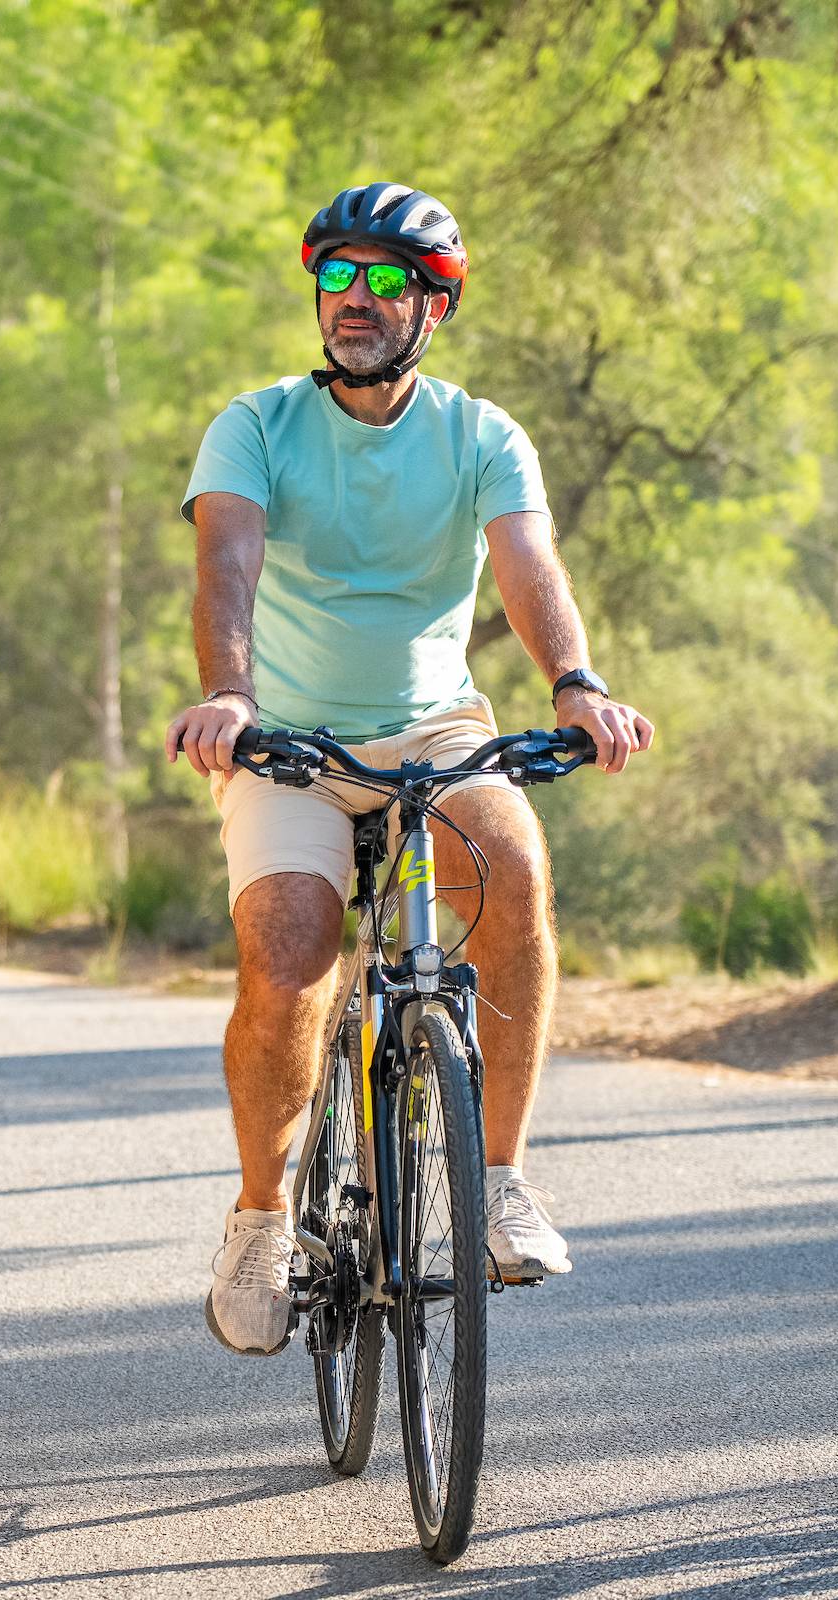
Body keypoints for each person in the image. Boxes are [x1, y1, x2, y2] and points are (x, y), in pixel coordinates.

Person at [165, 184, 655, 1356]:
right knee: (289, 956)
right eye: (338, 278)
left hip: (436, 725)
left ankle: (498, 1180)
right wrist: (230, 695)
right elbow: (226, 567)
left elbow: (531, 569)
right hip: (287, 735)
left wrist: (576, 684)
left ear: (433, 305)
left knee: (517, 871)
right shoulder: (258, 424)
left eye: (388, 283)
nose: (356, 303)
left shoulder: (480, 434)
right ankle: (263, 1218)